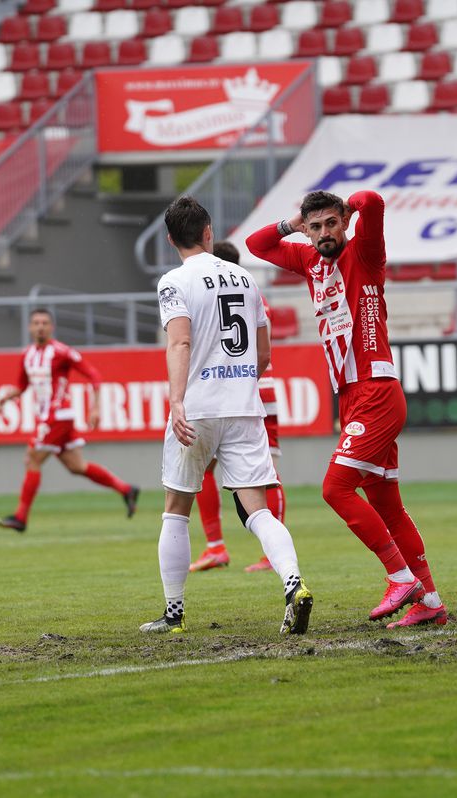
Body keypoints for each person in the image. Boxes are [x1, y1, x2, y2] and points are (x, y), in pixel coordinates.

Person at [247, 190, 446, 628]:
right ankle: (429, 601)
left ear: (343, 223)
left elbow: (372, 200)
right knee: (386, 504)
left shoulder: (365, 252)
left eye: (330, 224)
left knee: (335, 489)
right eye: (315, 227)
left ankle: (400, 577)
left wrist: (349, 209)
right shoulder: (309, 261)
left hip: (375, 388)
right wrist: (292, 224)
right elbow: (256, 246)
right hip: (353, 396)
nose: (323, 233)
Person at [141, 196, 312, 635]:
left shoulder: (173, 282)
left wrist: (178, 401)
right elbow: (265, 351)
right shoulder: (244, 278)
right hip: (244, 408)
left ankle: (174, 615)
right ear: (208, 232)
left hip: (197, 409)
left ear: (169, 240)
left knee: (176, 510)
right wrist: (238, 384)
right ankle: (294, 586)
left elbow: (179, 343)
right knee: (258, 511)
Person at [0, 308, 139, 533]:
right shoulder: (27, 355)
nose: (40, 326)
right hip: (47, 416)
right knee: (76, 466)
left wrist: (96, 406)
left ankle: (21, 517)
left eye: (44, 323)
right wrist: (6, 397)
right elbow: (22, 386)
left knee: (31, 458)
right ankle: (126, 489)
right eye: (36, 323)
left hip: (59, 415)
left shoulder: (62, 352)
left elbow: (93, 375)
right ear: (30, 328)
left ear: (52, 327)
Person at [188, 241, 284, 575]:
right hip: (241, 390)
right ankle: (216, 547)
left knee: (265, 473)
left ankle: (269, 555)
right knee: (206, 471)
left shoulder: (238, 295)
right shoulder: (251, 292)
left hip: (246, 391)